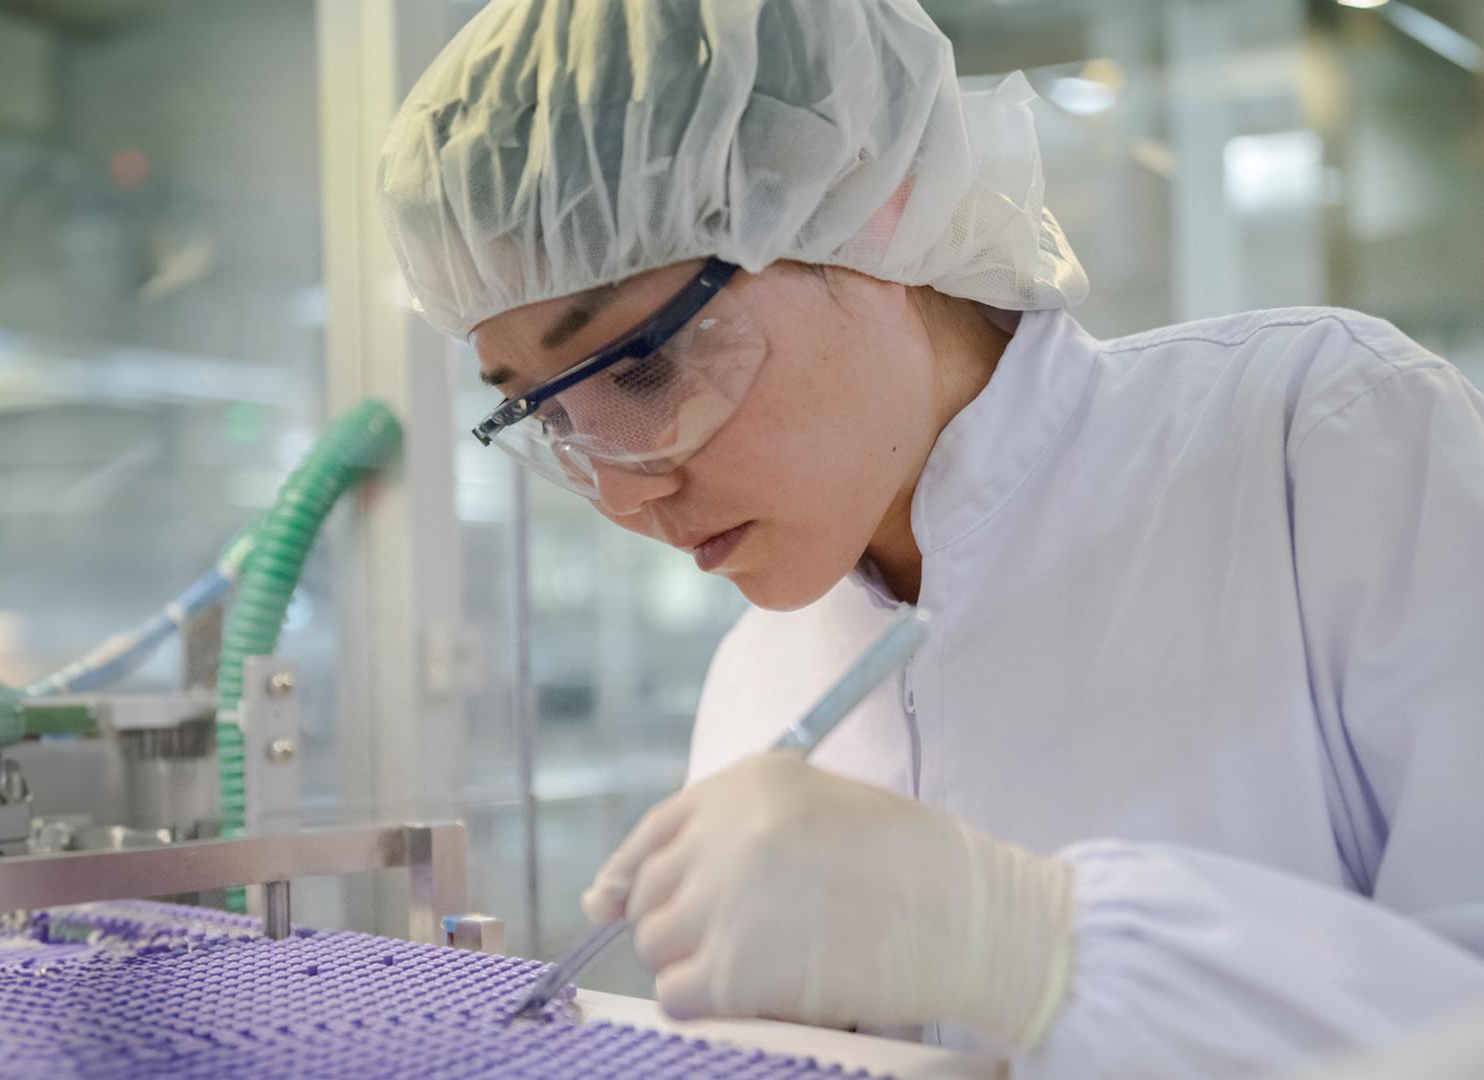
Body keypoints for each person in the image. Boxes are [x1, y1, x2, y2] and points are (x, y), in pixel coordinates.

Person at [376, 0, 1484, 1076]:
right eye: (549, 416)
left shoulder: (1319, 438)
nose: (624, 500)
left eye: (642, 369)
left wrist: (1033, 945)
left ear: (873, 207)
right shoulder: (760, 675)